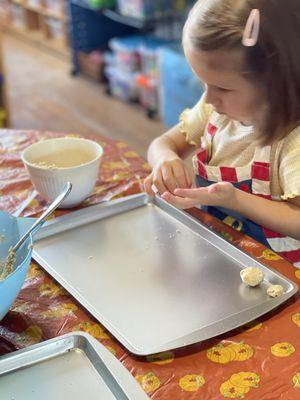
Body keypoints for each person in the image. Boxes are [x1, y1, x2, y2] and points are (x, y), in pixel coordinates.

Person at [144, 0, 300, 267]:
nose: (208, 97)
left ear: (275, 83)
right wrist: (165, 161)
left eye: (223, 88)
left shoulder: (291, 141)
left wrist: (235, 199)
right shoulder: (215, 110)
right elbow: (164, 143)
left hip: (278, 271)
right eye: (203, 83)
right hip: (222, 252)